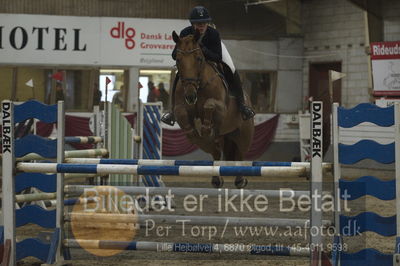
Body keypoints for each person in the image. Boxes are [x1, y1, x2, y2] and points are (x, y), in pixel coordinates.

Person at [161, 6, 255, 126]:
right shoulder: (185, 32)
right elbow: (174, 55)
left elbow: (217, 57)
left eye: (204, 23)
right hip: (195, 62)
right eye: (198, 23)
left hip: (214, 55)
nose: (201, 26)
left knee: (231, 69)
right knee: (179, 75)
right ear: (192, 24)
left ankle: (242, 106)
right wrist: (180, 52)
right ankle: (172, 111)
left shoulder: (213, 34)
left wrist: (202, 50)